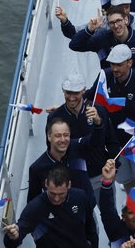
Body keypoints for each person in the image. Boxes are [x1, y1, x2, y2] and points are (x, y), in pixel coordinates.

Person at [85, 44, 135, 189]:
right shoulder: (105, 76)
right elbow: (90, 95)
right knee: (126, 181)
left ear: (130, 63)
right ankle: (132, 211)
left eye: (119, 65)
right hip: (117, 145)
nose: (115, 69)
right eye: (112, 64)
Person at [46, 73, 118, 202]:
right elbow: (52, 152)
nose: (72, 97)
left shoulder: (99, 110)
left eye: (76, 93)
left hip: (99, 172)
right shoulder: (54, 118)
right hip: (74, 179)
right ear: (63, 91)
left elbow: (111, 141)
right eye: (68, 92)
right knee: (84, 218)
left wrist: (114, 166)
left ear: (83, 90)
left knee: (108, 210)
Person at [4, 167, 98, 248]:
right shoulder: (34, 208)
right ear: (46, 184)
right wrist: (13, 237)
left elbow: (90, 227)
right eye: (52, 193)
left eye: (61, 194)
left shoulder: (80, 197)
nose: (56, 199)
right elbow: (15, 238)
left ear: (69, 185)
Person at [69, 6, 135, 85]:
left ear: (126, 20)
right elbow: (74, 45)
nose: (116, 25)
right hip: (113, 92)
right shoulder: (103, 38)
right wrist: (90, 29)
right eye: (112, 23)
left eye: (118, 21)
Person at [28, 114, 104, 203]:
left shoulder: (78, 147)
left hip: (86, 209)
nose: (63, 139)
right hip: (59, 214)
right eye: (58, 136)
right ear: (49, 136)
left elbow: (95, 141)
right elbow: (33, 201)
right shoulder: (37, 168)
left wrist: (98, 124)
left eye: (66, 135)